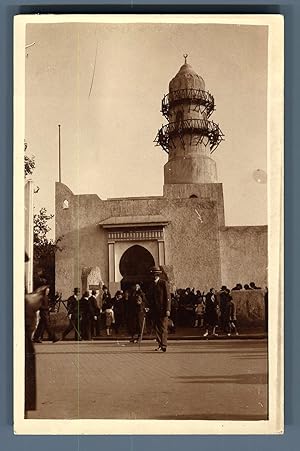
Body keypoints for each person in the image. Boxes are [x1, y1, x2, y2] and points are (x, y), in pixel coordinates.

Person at [148, 266, 171, 352]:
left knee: (163, 328)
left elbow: (168, 297)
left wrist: (168, 309)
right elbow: (150, 298)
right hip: (155, 311)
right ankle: (160, 344)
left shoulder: (163, 283)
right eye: (153, 274)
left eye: (156, 274)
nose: (154, 276)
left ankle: (164, 345)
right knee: (156, 328)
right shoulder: (152, 285)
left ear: (158, 275)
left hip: (163, 310)